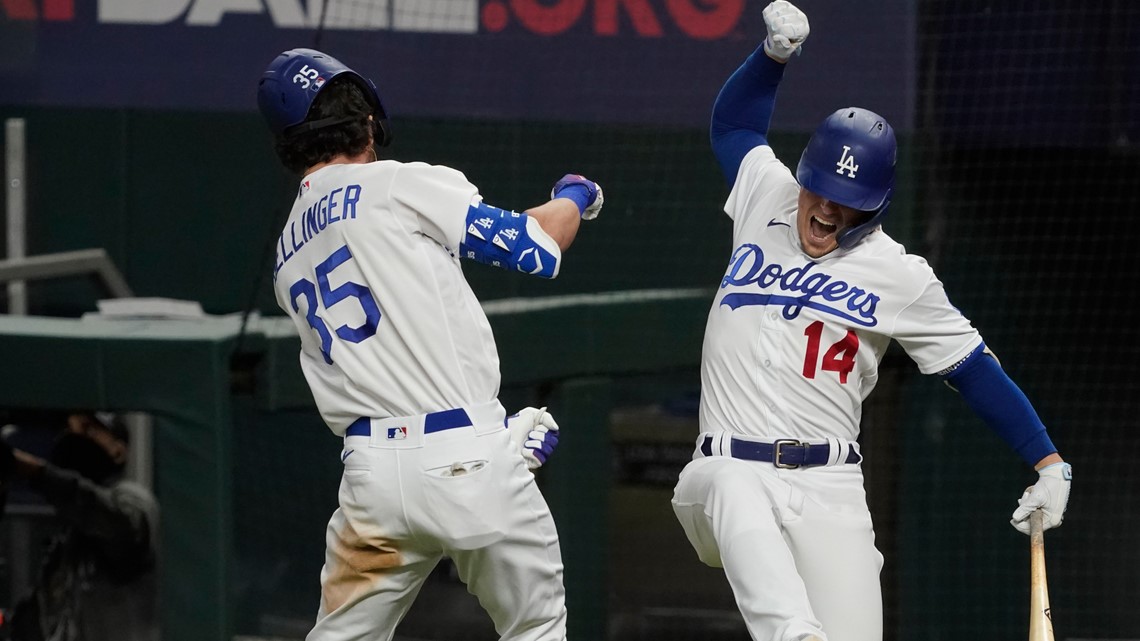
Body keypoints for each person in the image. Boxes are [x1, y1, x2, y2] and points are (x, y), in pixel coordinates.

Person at [669, 3, 1072, 640]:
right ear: (802, 176)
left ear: (875, 208)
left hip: (831, 487)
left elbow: (973, 371)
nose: (826, 209)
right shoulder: (765, 198)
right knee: (730, 485)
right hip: (723, 474)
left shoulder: (900, 275)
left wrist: (1048, 462)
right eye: (819, 189)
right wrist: (771, 58)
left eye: (847, 203)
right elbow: (732, 126)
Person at [255, 48, 602, 641]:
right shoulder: (395, 183)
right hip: (464, 456)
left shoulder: (287, 251)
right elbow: (533, 246)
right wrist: (575, 195)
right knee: (537, 628)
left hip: (371, 483)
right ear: (367, 121)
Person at [0, 411, 159, 641]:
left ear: (118, 450)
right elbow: (37, 621)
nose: (74, 439)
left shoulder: (134, 500)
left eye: (89, 430)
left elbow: (115, 524)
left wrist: (35, 472)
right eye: (69, 430)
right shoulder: (70, 542)